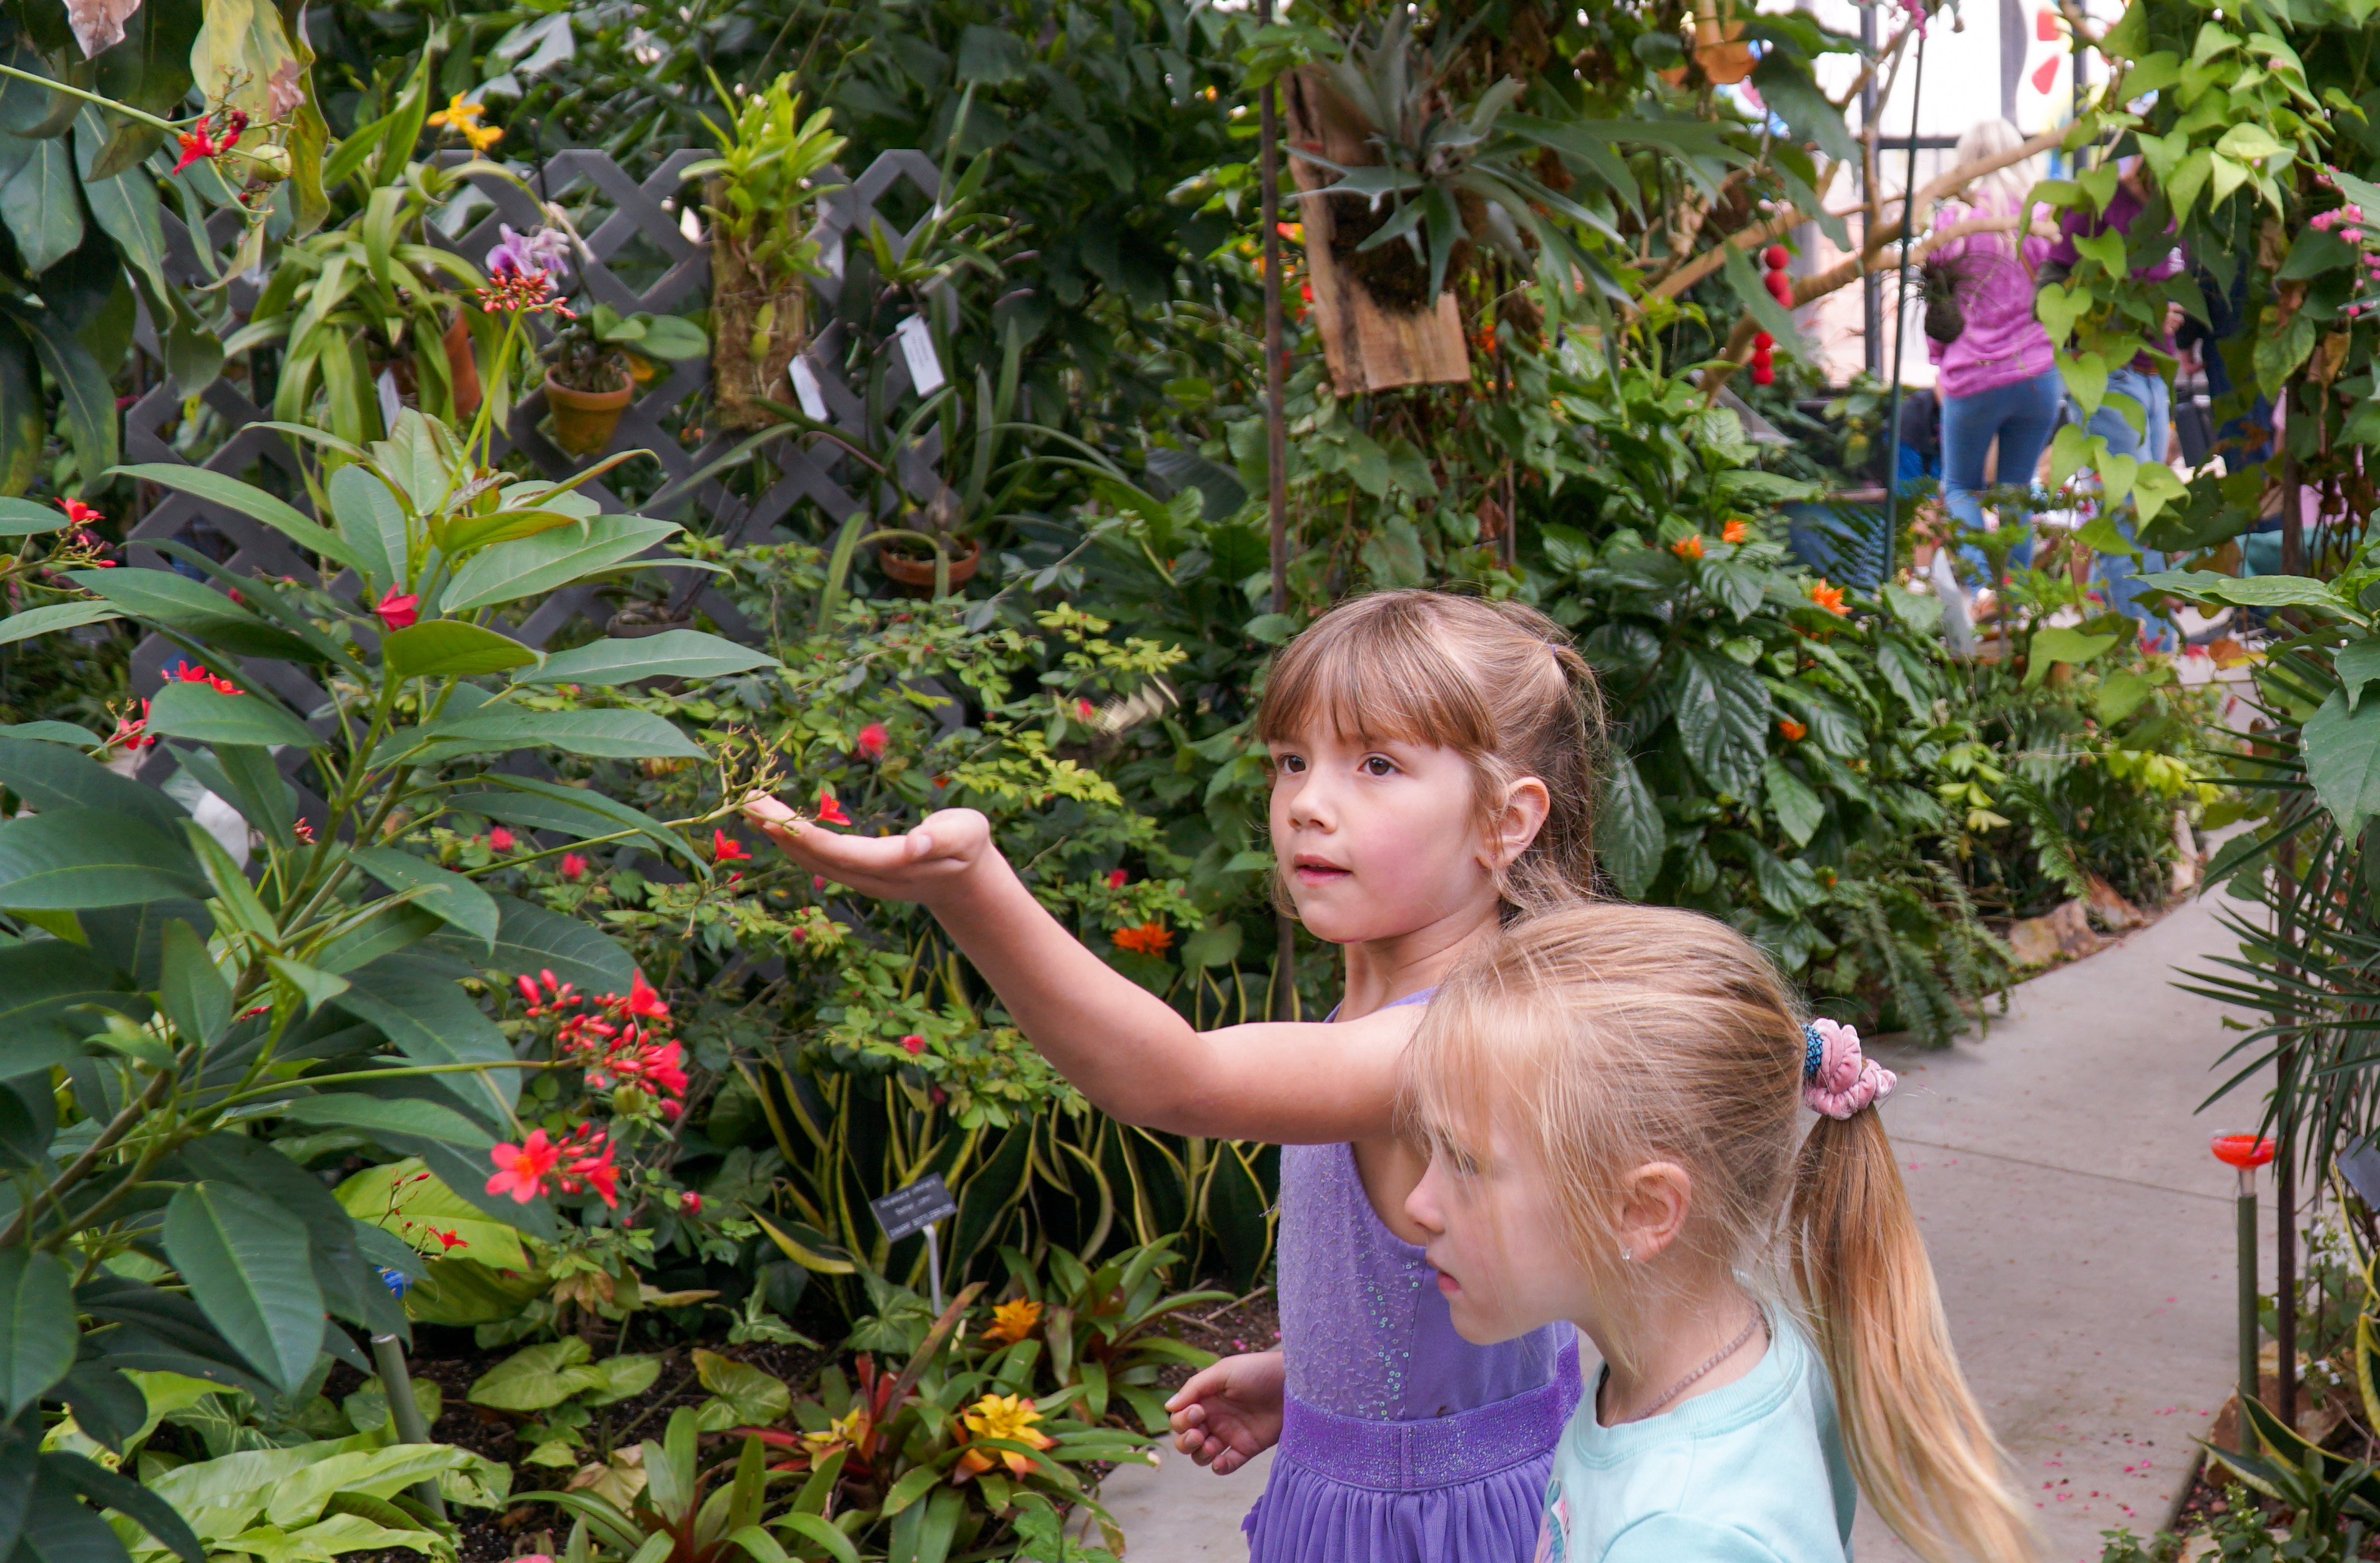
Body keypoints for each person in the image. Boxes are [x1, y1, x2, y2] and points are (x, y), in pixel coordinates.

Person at [751, 591, 1604, 1563]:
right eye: (1291, 760)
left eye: (1376, 764)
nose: (1308, 803)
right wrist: (1325, 1384)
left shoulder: (1441, 1046)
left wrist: (968, 886)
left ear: (1506, 819)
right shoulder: (1425, 1014)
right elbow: (1492, 1314)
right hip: (1399, 1485)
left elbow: (1177, 1079)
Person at [1403, 904, 2038, 1563]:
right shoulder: (1744, 1350)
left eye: (1466, 1162)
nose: (1419, 1202)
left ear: (1644, 1211)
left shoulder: (1685, 1534)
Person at [2037, 153, 2185, 651]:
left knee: (2144, 513)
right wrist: (2140, 318)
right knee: (2127, 515)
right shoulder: (2102, 204)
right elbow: (2052, 283)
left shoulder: (2174, 204)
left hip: (2152, 378)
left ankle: (2119, 641)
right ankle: (2152, 652)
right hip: (2107, 375)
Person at [1926, 117, 2060, 619]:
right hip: (2037, 375)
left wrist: (1940, 364)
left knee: (1960, 487)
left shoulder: (1953, 222)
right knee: (2015, 490)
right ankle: (2021, 604)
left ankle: (1983, 594)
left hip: (1973, 376)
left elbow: (1937, 310)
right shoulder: (2042, 216)